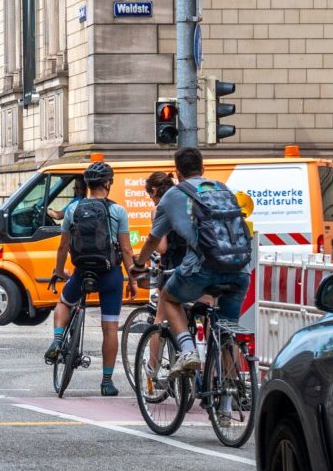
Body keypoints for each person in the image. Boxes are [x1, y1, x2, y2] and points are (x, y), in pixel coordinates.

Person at [138, 146, 253, 374]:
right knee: (225, 332)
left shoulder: (173, 195)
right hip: (240, 270)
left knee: (169, 299)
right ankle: (229, 397)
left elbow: (154, 239)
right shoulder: (224, 189)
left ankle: (188, 350)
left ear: (177, 173)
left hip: (202, 269)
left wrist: (139, 263)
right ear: (203, 168)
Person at [43, 160, 133, 396]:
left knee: (63, 302)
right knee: (110, 327)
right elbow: (126, 250)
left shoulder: (73, 209)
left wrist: (59, 270)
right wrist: (132, 278)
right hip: (110, 273)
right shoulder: (118, 211)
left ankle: (57, 340)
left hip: (82, 271)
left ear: (89, 184)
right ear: (107, 183)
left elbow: (63, 246)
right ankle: (106, 382)